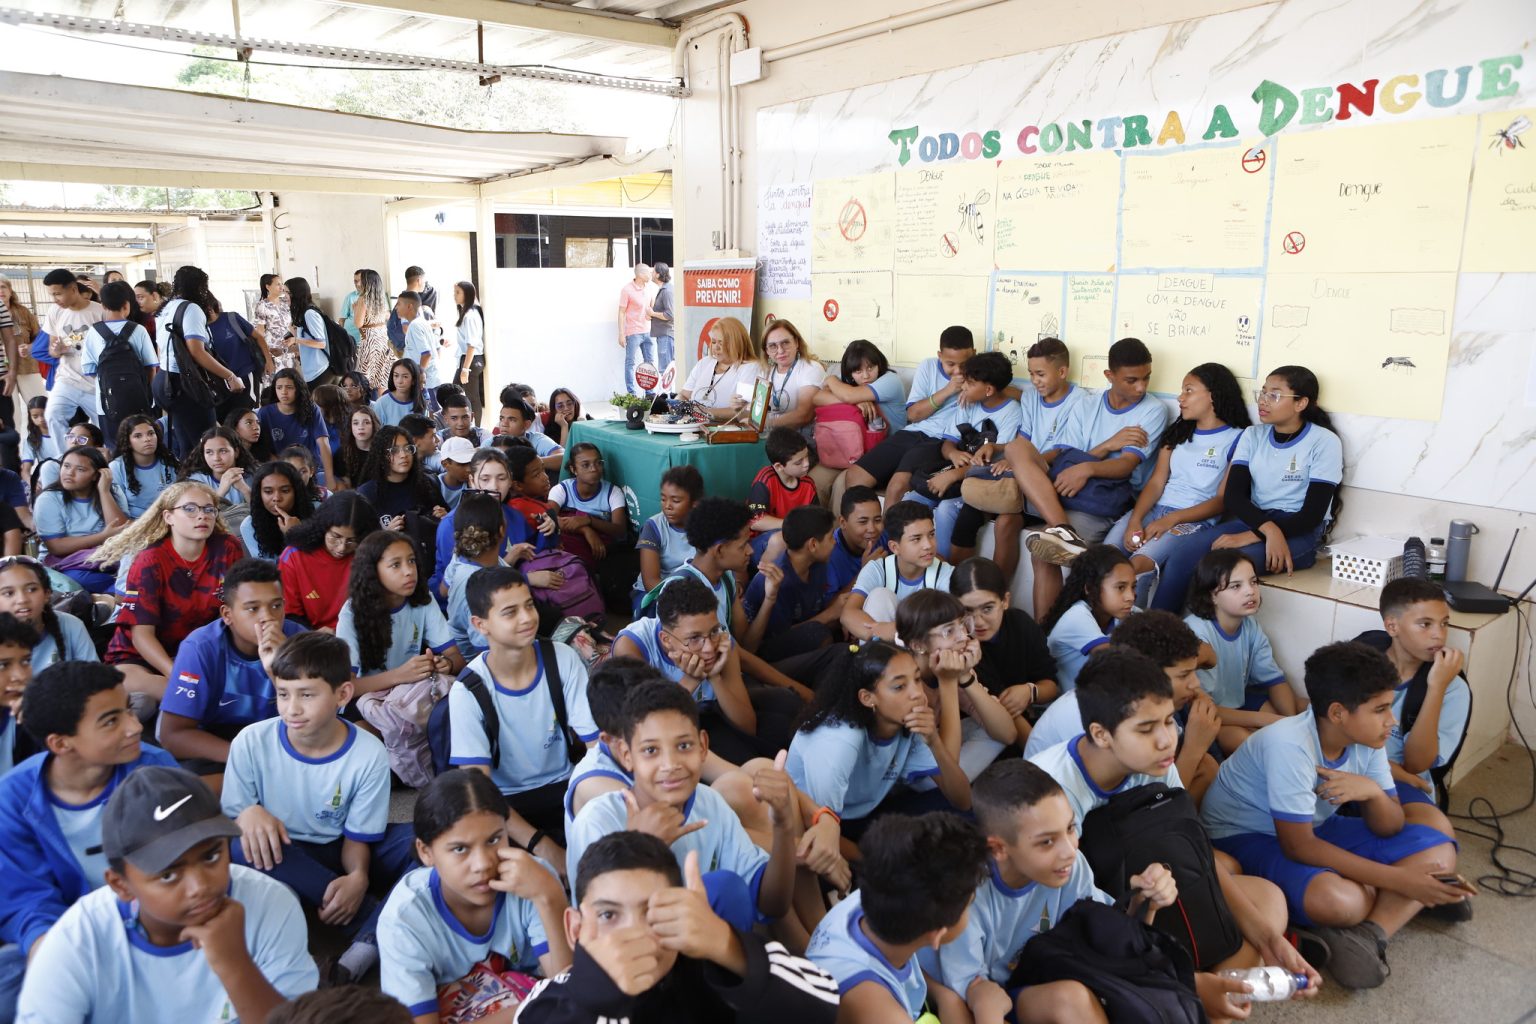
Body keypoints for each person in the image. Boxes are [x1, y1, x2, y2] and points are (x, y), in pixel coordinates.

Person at [1201, 641, 1469, 989]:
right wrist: (1401, 881)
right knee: (1343, 902)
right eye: (1380, 709)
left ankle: (1369, 934)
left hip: (1315, 826)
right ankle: (1397, 901)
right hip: (1245, 836)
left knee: (1440, 849)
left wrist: (1372, 793)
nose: (1390, 721)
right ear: (1339, 713)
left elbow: (1390, 826)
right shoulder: (1290, 744)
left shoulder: (1369, 739)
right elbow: (1299, 846)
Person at [16, 766, 318, 1022]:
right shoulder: (79, 939)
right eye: (168, 875)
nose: (200, 886)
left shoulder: (271, 903)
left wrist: (235, 964)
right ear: (121, 885)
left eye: (211, 856)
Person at [222, 631, 417, 986]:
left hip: (341, 846)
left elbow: (358, 838)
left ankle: (361, 944)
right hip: (283, 854)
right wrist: (248, 811)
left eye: (307, 695)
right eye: (283, 694)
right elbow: (236, 817)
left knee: (427, 839)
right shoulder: (251, 741)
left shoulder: (368, 752)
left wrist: (357, 877)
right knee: (240, 846)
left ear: (343, 694)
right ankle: (378, 927)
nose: (292, 709)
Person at [517, 830, 839, 1024]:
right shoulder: (546, 1005)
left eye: (654, 911)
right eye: (608, 915)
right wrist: (598, 994)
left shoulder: (709, 970)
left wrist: (725, 943)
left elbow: (823, 1006)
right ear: (575, 928)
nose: (635, 933)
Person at [0, 662, 176, 1013]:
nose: (134, 726)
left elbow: (181, 867)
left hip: (157, 927)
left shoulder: (154, 771)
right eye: (111, 721)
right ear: (61, 743)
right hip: (70, 934)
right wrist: (48, 949)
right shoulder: (13, 799)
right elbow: (27, 900)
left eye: (128, 709)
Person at [934, 760, 1167, 1024]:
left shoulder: (1069, 866)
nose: (1069, 851)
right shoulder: (966, 897)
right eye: (1047, 841)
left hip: (1052, 974)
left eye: (1070, 828)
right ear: (998, 848)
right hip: (1000, 1000)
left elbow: (1108, 937)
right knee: (1070, 999)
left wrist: (1143, 902)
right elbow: (973, 999)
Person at [564, 680, 799, 926]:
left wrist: (783, 824)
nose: (670, 764)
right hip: (638, 947)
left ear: (703, 746)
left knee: (725, 889)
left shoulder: (710, 804)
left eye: (684, 746)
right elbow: (597, 933)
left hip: (709, 944)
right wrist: (641, 850)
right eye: (651, 750)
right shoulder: (598, 821)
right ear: (626, 755)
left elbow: (772, 904)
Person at [378, 769, 571, 1020]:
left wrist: (549, 896)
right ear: (426, 852)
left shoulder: (535, 880)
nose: (482, 864)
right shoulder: (404, 919)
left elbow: (569, 991)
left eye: (494, 840)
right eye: (460, 849)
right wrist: (543, 1003)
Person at [1151, 365, 1343, 613]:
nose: (1263, 401)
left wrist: (1255, 535)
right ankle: (1154, 630)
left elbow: (1311, 515)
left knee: (1228, 567)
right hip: (1255, 520)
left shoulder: (1324, 442)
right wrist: (1266, 529)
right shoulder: (1253, 435)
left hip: (1298, 531)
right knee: (1182, 556)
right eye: (1262, 392)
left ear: (1301, 403)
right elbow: (1233, 496)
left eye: (1274, 395)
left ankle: (1202, 632)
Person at [1007, 338, 1171, 612]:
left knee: (1045, 550)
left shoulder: (1152, 410)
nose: (1141, 387)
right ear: (1109, 376)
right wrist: (1107, 446)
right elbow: (1069, 457)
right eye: (1132, 380)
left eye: (1146, 378)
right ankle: (1062, 528)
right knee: (1015, 448)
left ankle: (1046, 630)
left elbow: (1126, 464)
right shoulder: (1087, 404)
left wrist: (1087, 468)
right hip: (1067, 488)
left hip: (1101, 500)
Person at [446, 567, 592, 862]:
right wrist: (542, 845)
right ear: (480, 624)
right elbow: (480, 790)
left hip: (566, 786)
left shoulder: (562, 658)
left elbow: (597, 747)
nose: (527, 618)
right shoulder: (468, 690)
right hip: (502, 803)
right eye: (510, 612)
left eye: (529, 605)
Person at [805, 812, 986, 1021]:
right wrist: (990, 1012)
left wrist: (942, 994)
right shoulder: (880, 1012)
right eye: (969, 904)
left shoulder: (876, 893)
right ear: (937, 935)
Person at [788, 641, 971, 843]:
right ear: (867, 698)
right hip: (824, 826)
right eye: (899, 686)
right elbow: (821, 833)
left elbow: (962, 800)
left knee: (965, 816)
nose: (917, 694)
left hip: (869, 814)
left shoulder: (908, 722)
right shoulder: (839, 742)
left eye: (917, 679)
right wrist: (872, 860)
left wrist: (934, 741)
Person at [1105, 362, 1250, 594]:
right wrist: (1135, 519)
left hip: (1192, 520)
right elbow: (1156, 483)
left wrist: (1171, 520)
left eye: (1188, 391)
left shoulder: (1239, 439)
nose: (1180, 398)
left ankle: (1132, 617)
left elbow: (1222, 500)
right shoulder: (1178, 433)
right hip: (1153, 511)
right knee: (1105, 558)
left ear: (1213, 395)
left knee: (1136, 567)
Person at [157, 558, 304, 782]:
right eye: (252, 608)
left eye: (276, 605)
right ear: (227, 615)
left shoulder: (300, 641)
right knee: (192, 791)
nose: (268, 617)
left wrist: (283, 664)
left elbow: (316, 720)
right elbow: (173, 735)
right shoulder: (200, 648)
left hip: (282, 734)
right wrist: (246, 759)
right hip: (217, 740)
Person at [99, 481, 247, 697]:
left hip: (199, 650)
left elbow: (235, 610)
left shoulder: (227, 548)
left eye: (209, 509)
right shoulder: (150, 560)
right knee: (180, 692)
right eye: (190, 509)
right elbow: (142, 636)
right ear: (168, 517)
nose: (202, 516)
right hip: (140, 657)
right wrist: (179, 675)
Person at [1353, 577, 1471, 837]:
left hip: (1399, 782)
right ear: (1392, 626)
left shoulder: (1453, 688)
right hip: (1344, 763)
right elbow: (1329, 728)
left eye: (1444, 623)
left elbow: (1417, 764)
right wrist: (1392, 770)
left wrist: (1436, 688)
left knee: (1437, 833)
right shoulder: (1361, 658)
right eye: (1425, 624)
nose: (1439, 634)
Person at [615, 577, 766, 764]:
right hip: (663, 742)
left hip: (707, 717)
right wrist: (692, 679)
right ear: (666, 640)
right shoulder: (632, 646)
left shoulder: (721, 643)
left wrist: (715, 677)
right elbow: (645, 728)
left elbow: (748, 727)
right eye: (694, 638)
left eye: (713, 631)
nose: (709, 648)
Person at [844, 325, 977, 509]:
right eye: (950, 364)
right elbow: (913, 415)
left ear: (974, 354)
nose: (958, 371)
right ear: (940, 356)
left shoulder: (981, 373)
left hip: (940, 441)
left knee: (896, 488)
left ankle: (888, 529)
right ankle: (867, 525)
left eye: (964, 364)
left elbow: (1010, 392)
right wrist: (948, 390)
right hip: (912, 431)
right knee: (855, 476)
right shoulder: (928, 366)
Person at [1184, 550, 1302, 752]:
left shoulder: (1250, 625)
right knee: (1245, 740)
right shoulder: (1198, 634)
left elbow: (1274, 680)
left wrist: (1290, 723)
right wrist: (1266, 720)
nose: (1250, 591)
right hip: (1207, 715)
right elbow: (1204, 708)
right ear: (1212, 595)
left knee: (1301, 708)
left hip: (1239, 702)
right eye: (1236, 586)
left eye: (1253, 582)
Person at [950, 556, 1057, 746]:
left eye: (987, 609)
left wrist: (1030, 691)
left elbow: (1050, 684)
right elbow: (1007, 713)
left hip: (1029, 723)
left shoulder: (1021, 624)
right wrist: (1040, 756)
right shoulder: (961, 648)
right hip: (986, 729)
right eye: (967, 611)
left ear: (1005, 601)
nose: (978, 622)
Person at [156, 266, 245, 460]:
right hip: (184, 383)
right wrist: (230, 376)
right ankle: (205, 478)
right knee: (206, 442)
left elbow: (161, 349)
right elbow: (196, 351)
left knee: (188, 445)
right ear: (199, 287)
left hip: (164, 381)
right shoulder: (191, 309)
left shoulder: (165, 308)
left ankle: (188, 476)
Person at [841, 500, 954, 645]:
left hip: (926, 650)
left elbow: (952, 626)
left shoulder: (946, 573)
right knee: (880, 596)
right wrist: (880, 631)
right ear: (895, 547)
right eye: (917, 539)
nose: (928, 545)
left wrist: (897, 631)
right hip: (886, 647)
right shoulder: (878, 569)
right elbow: (848, 613)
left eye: (931, 535)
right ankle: (875, 658)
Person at [742, 505, 843, 663]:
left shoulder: (818, 565)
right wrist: (830, 614)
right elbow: (780, 637)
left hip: (799, 636)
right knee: (820, 635)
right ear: (813, 545)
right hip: (763, 653)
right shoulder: (779, 581)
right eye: (830, 537)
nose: (835, 542)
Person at [278, 491, 379, 631]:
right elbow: (290, 615)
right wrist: (313, 635)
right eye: (335, 537)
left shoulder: (369, 554)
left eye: (352, 540)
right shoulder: (294, 557)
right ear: (323, 527)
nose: (342, 547)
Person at [34, 445, 128, 592]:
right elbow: (56, 547)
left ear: (96, 475)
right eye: (66, 466)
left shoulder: (112, 491)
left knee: (135, 566)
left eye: (80, 469)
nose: (69, 473)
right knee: (81, 580)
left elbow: (121, 530)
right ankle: (119, 591)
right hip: (67, 563)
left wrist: (104, 492)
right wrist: (103, 536)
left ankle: (115, 592)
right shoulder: (49, 498)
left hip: (110, 556)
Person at [1040, 545, 1135, 690]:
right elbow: (1112, 662)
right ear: (1090, 588)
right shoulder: (1077, 617)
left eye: (1133, 587)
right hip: (1067, 701)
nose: (1130, 597)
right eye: (1120, 587)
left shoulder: (1124, 613)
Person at [79, 281, 158, 446]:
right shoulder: (138, 330)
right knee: (142, 445)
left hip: (107, 404)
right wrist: (147, 392)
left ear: (103, 305)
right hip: (139, 401)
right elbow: (151, 367)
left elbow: (90, 370)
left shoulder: (94, 332)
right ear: (127, 305)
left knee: (114, 446)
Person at [442, 491, 516, 660]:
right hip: (473, 661)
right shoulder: (482, 590)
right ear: (502, 530)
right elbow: (487, 654)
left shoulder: (459, 556)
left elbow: (443, 590)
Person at [40, 268, 104, 458]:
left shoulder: (99, 312)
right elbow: (52, 349)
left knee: (104, 425)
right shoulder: (55, 312)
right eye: (51, 295)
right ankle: (65, 459)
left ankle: (101, 462)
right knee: (53, 415)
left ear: (73, 289)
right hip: (67, 378)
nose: (55, 299)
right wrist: (57, 350)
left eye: (58, 294)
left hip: (96, 382)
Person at [0, 557, 96, 672]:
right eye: (9, 593)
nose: (22, 600)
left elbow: (95, 679)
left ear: (47, 594)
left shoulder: (71, 625)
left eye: (31, 589)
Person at [355, 425, 448, 538]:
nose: (403, 455)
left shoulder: (427, 483)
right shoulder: (367, 494)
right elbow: (360, 539)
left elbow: (449, 521)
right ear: (381, 455)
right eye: (394, 450)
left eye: (407, 448)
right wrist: (385, 534)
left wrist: (445, 517)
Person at [632, 465, 700, 615]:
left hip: (695, 592)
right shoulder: (653, 527)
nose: (667, 506)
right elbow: (651, 582)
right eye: (663, 499)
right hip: (655, 593)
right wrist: (685, 602)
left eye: (675, 500)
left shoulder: (707, 526)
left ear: (695, 503)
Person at [552, 442, 629, 570]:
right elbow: (549, 518)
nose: (594, 469)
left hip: (598, 550)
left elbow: (620, 530)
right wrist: (586, 530)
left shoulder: (613, 492)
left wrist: (589, 520)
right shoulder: (562, 489)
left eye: (598, 463)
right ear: (573, 469)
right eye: (585, 465)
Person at [747, 427, 817, 565]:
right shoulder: (765, 481)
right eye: (799, 462)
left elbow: (814, 518)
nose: (807, 464)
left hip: (795, 539)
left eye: (806, 456)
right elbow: (755, 521)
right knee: (780, 540)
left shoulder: (808, 484)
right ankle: (762, 578)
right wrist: (792, 525)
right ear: (779, 466)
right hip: (760, 545)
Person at [259, 367, 336, 489]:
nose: (284, 392)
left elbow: (323, 443)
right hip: (280, 468)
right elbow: (263, 449)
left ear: (298, 389)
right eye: (279, 387)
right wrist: (283, 467)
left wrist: (330, 478)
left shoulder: (311, 409)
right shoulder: (265, 413)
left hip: (311, 469)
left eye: (289, 387)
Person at [812, 338, 908, 434]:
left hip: (892, 439)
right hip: (860, 439)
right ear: (850, 373)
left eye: (870, 368)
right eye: (858, 371)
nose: (866, 376)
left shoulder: (891, 380)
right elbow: (817, 398)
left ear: (879, 365)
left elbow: (849, 396)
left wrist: (831, 379)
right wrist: (856, 402)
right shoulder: (849, 377)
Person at [680, 317, 760, 421]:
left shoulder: (750, 367)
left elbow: (744, 412)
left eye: (721, 343)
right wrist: (678, 405)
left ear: (736, 343)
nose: (716, 347)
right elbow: (683, 395)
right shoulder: (704, 363)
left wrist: (703, 412)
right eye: (713, 342)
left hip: (723, 429)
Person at [758, 319, 826, 435]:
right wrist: (740, 409)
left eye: (785, 343)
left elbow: (804, 415)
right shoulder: (765, 373)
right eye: (773, 346)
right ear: (767, 351)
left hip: (802, 439)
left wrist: (767, 423)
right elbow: (756, 414)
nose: (780, 350)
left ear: (796, 343)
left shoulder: (811, 368)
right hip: (770, 437)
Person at [206, 296, 267, 421]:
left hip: (244, 376)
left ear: (210, 308)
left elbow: (258, 337)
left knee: (246, 416)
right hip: (219, 383)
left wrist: (268, 361)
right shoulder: (199, 328)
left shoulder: (231, 318)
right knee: (226, 420)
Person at [109, 415, 179, 522]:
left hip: (169, 521)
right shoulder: (116, 467)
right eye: (138, 436)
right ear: (128, 442)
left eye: (151, 433)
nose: (147, 439)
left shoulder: (170, 461)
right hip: (133, 525)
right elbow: (118, 514)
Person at [242, 461, 315, 562]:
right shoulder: (249, 525)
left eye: (285, 491)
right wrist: (292, 537)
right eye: (268, 492)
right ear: (259, 494)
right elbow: (268, 569)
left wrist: (298, 534)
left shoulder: (314, 514)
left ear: (296, 492)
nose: (276, 498)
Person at [177, 425, 256, 516]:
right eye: (209, 452)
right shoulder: (196, 481)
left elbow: (262, 514)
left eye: (223, 451)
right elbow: (198, 517)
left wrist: (245, 490)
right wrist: (221, 491)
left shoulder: (252, 475)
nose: (216, 458)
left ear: (236, 452)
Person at [826, 486, 884, 597]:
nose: (872, 529)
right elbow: (831, 606)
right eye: (863, 522)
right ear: (843, 523)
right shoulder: (828, 555)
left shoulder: (884, 537)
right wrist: (865, 571)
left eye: (877, 520)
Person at [285, 277, 332, 388]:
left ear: (296, 293)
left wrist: (295, 339)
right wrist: (285, 349)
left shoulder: (310, 313)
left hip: (319, 370)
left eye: (287, 292)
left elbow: (321, 343)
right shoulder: (303, 314)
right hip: (311, 371)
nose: (284, 296)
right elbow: (306, 343)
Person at [498, 397, 564, 473]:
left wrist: (531, 462)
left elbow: (564, 458)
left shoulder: (537, 439)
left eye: (512, 420)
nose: (504, 424)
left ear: (526, 425)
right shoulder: (492, 441)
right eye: (501, 418)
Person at [397, 293, 441, 406]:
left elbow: (426, 354)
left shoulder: (415, 326)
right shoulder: (420, 322)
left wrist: (420, 374)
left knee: (433, 411)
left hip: (428, 381)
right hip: (429, 379)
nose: (396, 307)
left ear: (409, 306)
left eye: (399, 304)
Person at [352, 269, 392, 393]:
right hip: (383, 338)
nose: (359, 283)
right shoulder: (381, 298)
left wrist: (355, 310)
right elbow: (387, 316)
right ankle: (381, 404)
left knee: (363, 379)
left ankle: (365, 404)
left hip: (369, 340)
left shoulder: (363, 299)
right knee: (382, 379)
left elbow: (358, 323)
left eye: (362, 280)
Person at [618, 264, 654, 396]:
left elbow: (651, 306)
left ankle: (649, 393)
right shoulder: (627, 290)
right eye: (648, 272)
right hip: (633, 332)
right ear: (640, 274)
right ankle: (631, 394)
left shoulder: (649, 288)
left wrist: (651, 314)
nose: (651, 275)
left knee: (649, 363)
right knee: (630, 363)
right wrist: (621, 334)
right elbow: (621, 312)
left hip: (648, 331)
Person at [451, 282, 485, 420]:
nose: (454, 295)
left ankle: (476, 428)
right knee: (455, 393)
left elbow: (472, 344)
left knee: (472, 397)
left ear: (468, 294)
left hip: (471, 359)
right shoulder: (466, 312)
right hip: (467, 359)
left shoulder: (470, 315)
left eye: (458, 292)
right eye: (454, 292)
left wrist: (465, 369)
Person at [253, 274, 295, 376]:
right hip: (272, 349)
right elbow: (260, 333)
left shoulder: (286, 302)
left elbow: (290, 325)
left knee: (290, 379)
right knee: (275, 379)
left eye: (282, 284)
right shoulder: (262, 305)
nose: (281, 287)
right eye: (278, 284)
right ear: (268, 287)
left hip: (287, 348)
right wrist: (267, 358)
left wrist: (297, 342)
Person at [372, 358, 426, 429]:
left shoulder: (420, 403)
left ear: (414, 380)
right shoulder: (381, 403)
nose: (399, 381)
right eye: (396, 376)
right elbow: (376, 432)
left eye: (405, 377)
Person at [338, 404, 380, 491]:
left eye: (366, 422)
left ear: (374, 425)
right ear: (350, 426)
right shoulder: (343, 453)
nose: (361, 427)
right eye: (356, 423)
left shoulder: (382, 451)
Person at [21, 397, 56, 483]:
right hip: (47, 478)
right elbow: (25, 471)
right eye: (35, 416)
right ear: (30, 418)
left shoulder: (68, 433)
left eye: (44, 414)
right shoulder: (31, 440)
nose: (41, 419)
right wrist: (32, 483)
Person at [648, 262, 675, 374]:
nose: (651, 273)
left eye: (653, 271)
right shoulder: (665, 289)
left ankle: (667, 388)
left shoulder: (667, 291)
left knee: (665, 370)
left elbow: (670, 314)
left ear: (658, 275)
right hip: (664, 335)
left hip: (666, 335)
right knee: (666, 368)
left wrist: (653, 313)